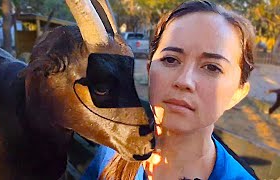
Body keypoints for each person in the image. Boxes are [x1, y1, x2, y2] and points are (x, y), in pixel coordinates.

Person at [82, 0, 258, 179]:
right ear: (150, 70)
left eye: (212, 67)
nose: (184, 81)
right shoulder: (114, 151)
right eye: (171, 60)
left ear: (238, 93)